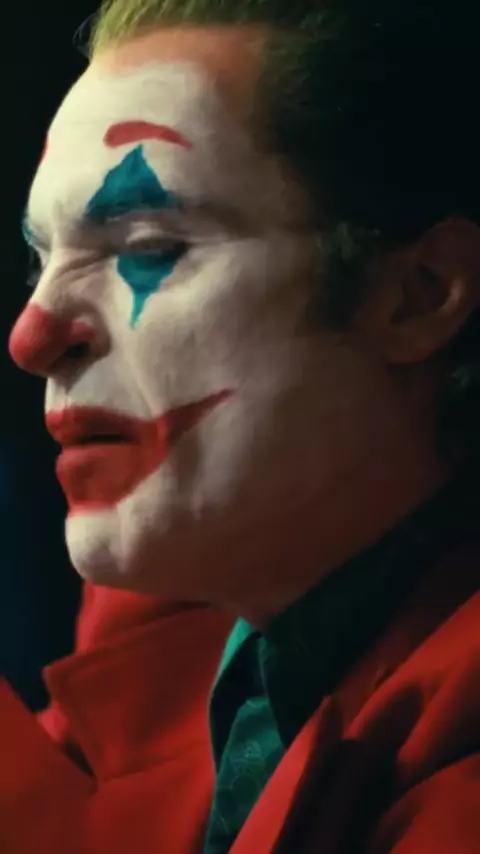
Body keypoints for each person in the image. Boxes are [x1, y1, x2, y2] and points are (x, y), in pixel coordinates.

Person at [4, 0, 480, 851]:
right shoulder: (183, 617)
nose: (32, 335)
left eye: (148, 248)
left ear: (416, 296)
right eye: (39, 261)